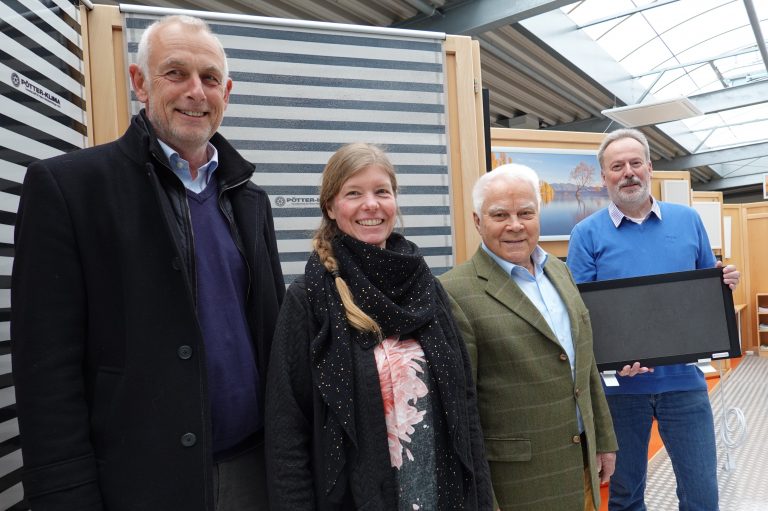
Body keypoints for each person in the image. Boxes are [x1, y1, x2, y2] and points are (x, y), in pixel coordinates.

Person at [11, 15, 284, 511]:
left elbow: (272, 336)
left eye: (210, 78)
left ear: (228, 91)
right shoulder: (70, 190)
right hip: (140, 483)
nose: (195, 92)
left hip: (255, 472)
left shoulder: (249, 200)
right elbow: (45, 369)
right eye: (175, 73)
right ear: (140, 83)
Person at [265, 142, 493, 510]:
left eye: (381, 192)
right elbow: (287, 430)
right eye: (353, 193)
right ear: (330, 207)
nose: (370, 204)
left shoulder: (426, 286)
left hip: (442, 495)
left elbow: (463, 406)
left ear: (394, 202)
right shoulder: (310, 299)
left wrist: (480, 498)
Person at [567, 128, 740, 510]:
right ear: (604, 177)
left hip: (686, 384)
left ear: (649, 167)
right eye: (617, 166)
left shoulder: (688, 220)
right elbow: (582, 317)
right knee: (626, 497)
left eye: (634, 163)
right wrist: (611, 362)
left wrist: (722, 282)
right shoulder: (585, 235)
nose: (627, 172)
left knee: (701, 495)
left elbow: (703, 296)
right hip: (620, 392)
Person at [439, 164, 618, 511]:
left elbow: (584, 362)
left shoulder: (560, 271)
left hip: (580, 467)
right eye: (500, 215)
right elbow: (461, 408)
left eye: (525, 213)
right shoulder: (454, 292)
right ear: (477, 221)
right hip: (515, 484)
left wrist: (604, 440)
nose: (515, 225)